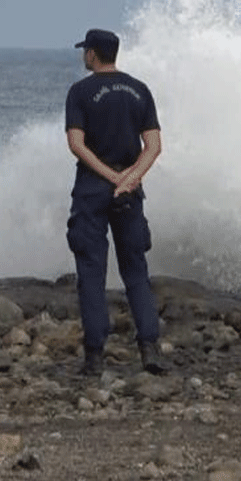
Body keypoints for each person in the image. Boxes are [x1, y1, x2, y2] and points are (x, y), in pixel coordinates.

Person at [64, 28, 165, 376]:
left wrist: (109, 177)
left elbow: (77, 144)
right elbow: (153, 146)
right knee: (135, 270)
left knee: (91, 272)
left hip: (93, 189)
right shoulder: (140, 90)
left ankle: (94, 356)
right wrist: (130, 178)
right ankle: (150, 348)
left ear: (93, 54)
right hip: (130, 190)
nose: (84, 56)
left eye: (85, 51)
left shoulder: (80, 92)